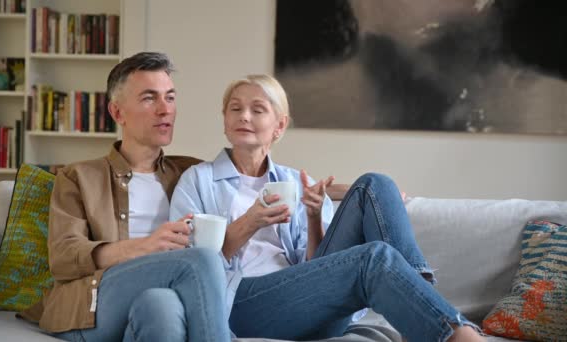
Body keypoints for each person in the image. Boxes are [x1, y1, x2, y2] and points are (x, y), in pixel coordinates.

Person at [169, 74, 484, 341]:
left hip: (303, 301)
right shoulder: (197, 180)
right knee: (374, 257)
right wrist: (250, 221)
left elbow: (314, 267)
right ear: (224, 120)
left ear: (279, 126)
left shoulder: (292, 181)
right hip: (238, 303)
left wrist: (313, 216)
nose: (244, 116)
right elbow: (190, 266)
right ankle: (449, 327)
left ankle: (417, 291)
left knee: (375, 184)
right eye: (234, 108)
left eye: (257, 109)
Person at [19, 52, 231, 342]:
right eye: (149, 98)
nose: (164, 109)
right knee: (201, 261)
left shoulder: (190, 171)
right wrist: (143, 247)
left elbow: (242, 176)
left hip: (163, 293)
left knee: (161, 306)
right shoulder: (77, 177)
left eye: (170, 97)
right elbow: (64, 257)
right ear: (117, 113)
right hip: (95, 301)